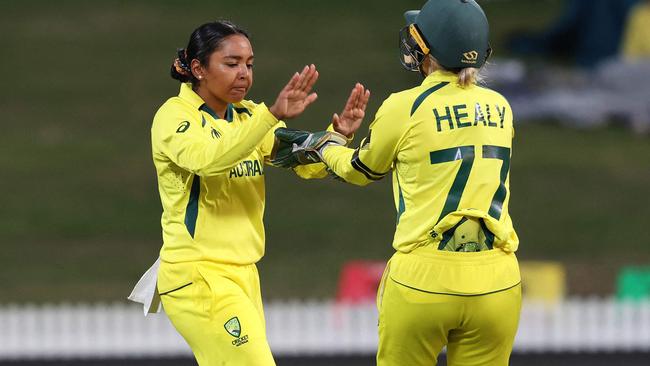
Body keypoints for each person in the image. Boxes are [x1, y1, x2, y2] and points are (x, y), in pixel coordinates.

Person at [275, 1, 521, 365]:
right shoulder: (501, 106)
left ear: (426, 48)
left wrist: (328, 145)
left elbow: (360, 170)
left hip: (424, 278)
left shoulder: (406, 105)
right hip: (497, 280)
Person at [130, 20, 368, 365]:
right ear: (198, 69)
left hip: (243, 273)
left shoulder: (248, 116)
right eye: (231, 64)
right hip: (198, 273)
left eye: (249, 64)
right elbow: (209, 160)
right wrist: (270, 116)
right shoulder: (173, 117)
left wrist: (337, 134)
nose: (244, 74)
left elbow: (300, 158)